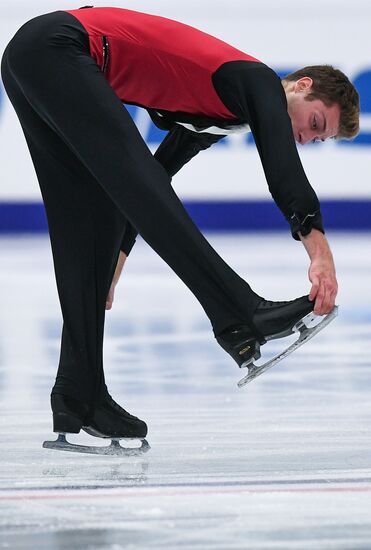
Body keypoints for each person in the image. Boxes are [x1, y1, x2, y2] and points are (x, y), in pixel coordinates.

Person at [0, 6, 359, 444]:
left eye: (317, 139)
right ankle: (239, 313)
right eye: (315, 122)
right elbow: (282, 170)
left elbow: (150, 177)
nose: (307, 137)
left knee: (82, 229)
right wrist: (319, 252)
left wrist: (115, 258)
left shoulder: (218, 115)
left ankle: (79, 392)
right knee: (123, 201)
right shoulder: (258, 80)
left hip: (30, 57)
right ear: (302, 86)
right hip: (61, 48)